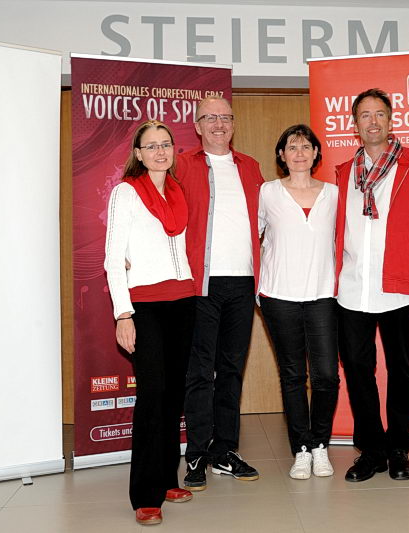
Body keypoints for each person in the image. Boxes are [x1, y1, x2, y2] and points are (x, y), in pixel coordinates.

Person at [334, 88, 409, 482]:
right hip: (351, 289)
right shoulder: (344, 172)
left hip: (400, 288)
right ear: (355, 123)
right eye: (365, 115)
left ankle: (398, 447)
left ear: (391, 119)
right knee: (357, 371)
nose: (373, 122)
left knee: (401, 370)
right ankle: (372, 451)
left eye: (380, 114)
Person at [104, 120, 196, 525]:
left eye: (166, 144)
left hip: (183, 301)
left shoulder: (178, 190)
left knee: (174, 394)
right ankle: (145, 493)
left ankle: (166, 478)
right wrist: (123, 314)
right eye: (152, 146)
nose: (161, 151)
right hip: (145, 305)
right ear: (139, 154)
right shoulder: (126, 192)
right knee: (153, 394)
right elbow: (113, 258)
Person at [176, 96, 264, 491]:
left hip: (242, 283)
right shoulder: (182, 165)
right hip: (201, 285)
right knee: (199, 372)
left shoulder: (251, 167)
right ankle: (196, 453)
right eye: (209, 118)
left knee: (231, 370)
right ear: (197, 126)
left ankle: (224, 450)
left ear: (233, 124)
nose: (218, 124)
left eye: (225, 117)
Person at [258, 124, 339, 480]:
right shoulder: (267, 192)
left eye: (306, 146)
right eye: (292, 147)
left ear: (316, 153)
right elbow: (251, 238)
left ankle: (320, 444)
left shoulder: (334, 194)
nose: (300, 153)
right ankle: (302, 450)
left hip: (323, 296)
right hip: (279, 296)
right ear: (281, 155)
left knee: (326, 376)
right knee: (292, 376)